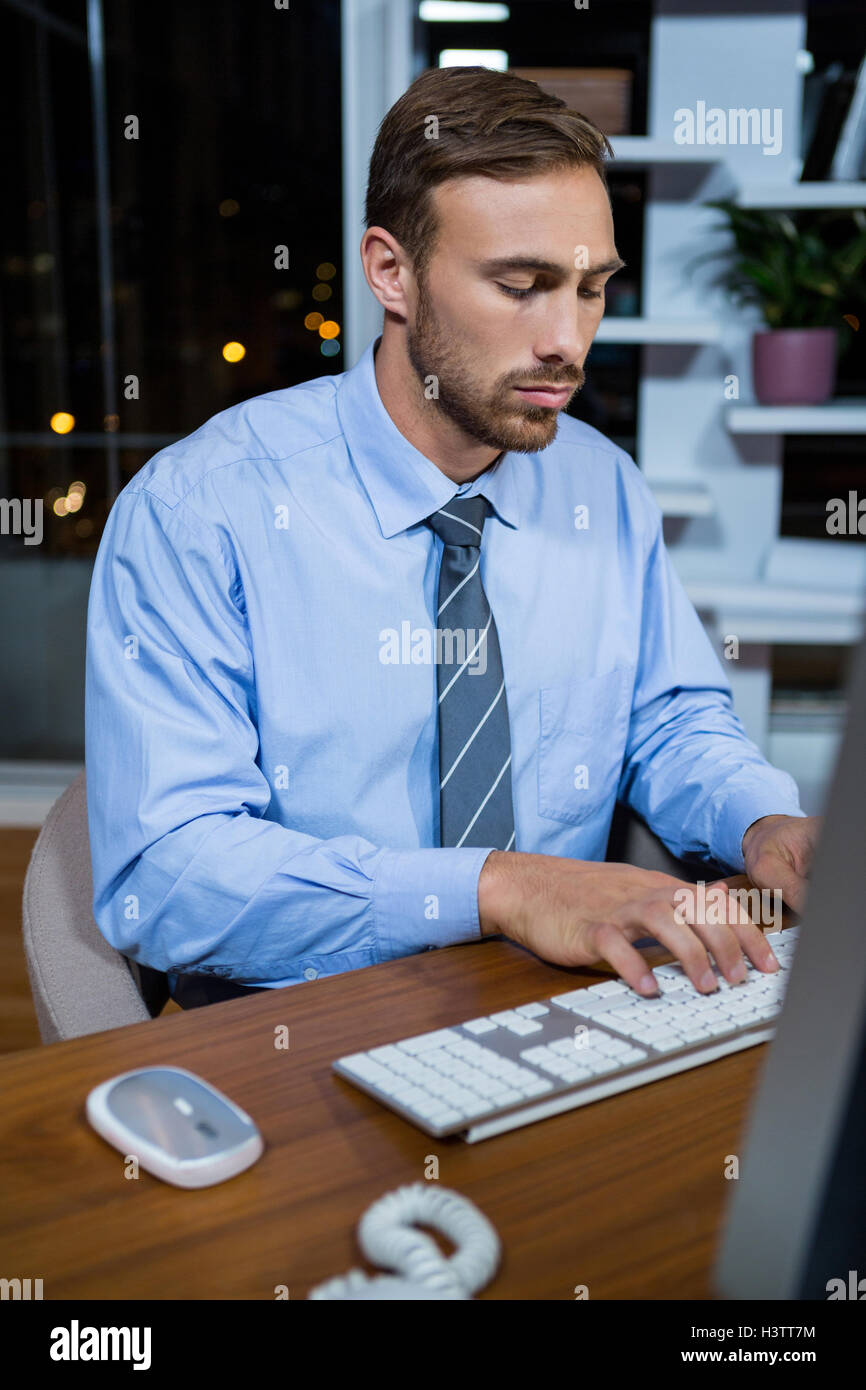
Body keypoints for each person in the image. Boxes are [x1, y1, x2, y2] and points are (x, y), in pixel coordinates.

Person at [85, 66, 817, 1011]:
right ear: (391, 271)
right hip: (297, 1028)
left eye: (592, 289)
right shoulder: (198, 512)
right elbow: (168, 874)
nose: (569, 340)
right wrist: (500, 888)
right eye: (522, 286)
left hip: (568, 1004)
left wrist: (759, 818)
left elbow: (667, 718)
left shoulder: (602, 484)